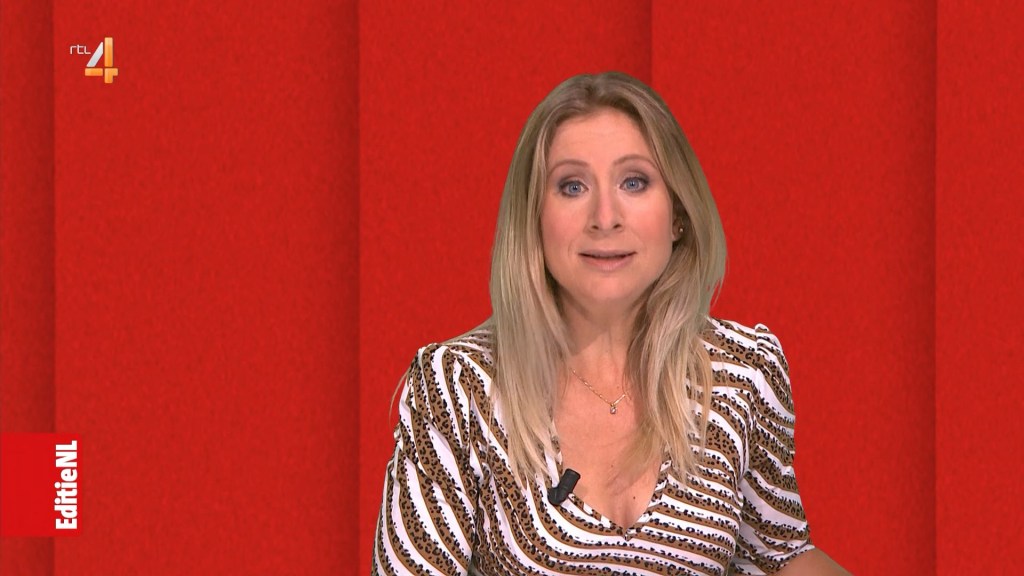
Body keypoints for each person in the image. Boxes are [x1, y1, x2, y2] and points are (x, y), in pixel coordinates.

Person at [371, 72, 849, 575]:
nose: (605, 217)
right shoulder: (458, 387)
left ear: (678, 213)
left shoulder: (741, 373)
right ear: (534, 219)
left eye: (633, 182)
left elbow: (781, 557)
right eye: (572, 186)